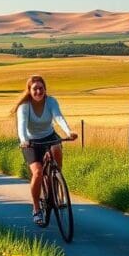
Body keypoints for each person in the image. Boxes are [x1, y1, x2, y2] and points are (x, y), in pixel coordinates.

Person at [13, 75, 78, 225]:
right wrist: (24, 141)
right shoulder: (24, 106)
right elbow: (22, 126)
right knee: (37, 172)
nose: (38, 91)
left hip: (49, 136)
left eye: (41, 88)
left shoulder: (51, 101)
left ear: (45, 89)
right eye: (35, 89)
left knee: (56, 149)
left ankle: (55, 181)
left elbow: (58, 117)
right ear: (29, 90)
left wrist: (68, 132)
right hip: (31, 141)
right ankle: (36, 208)